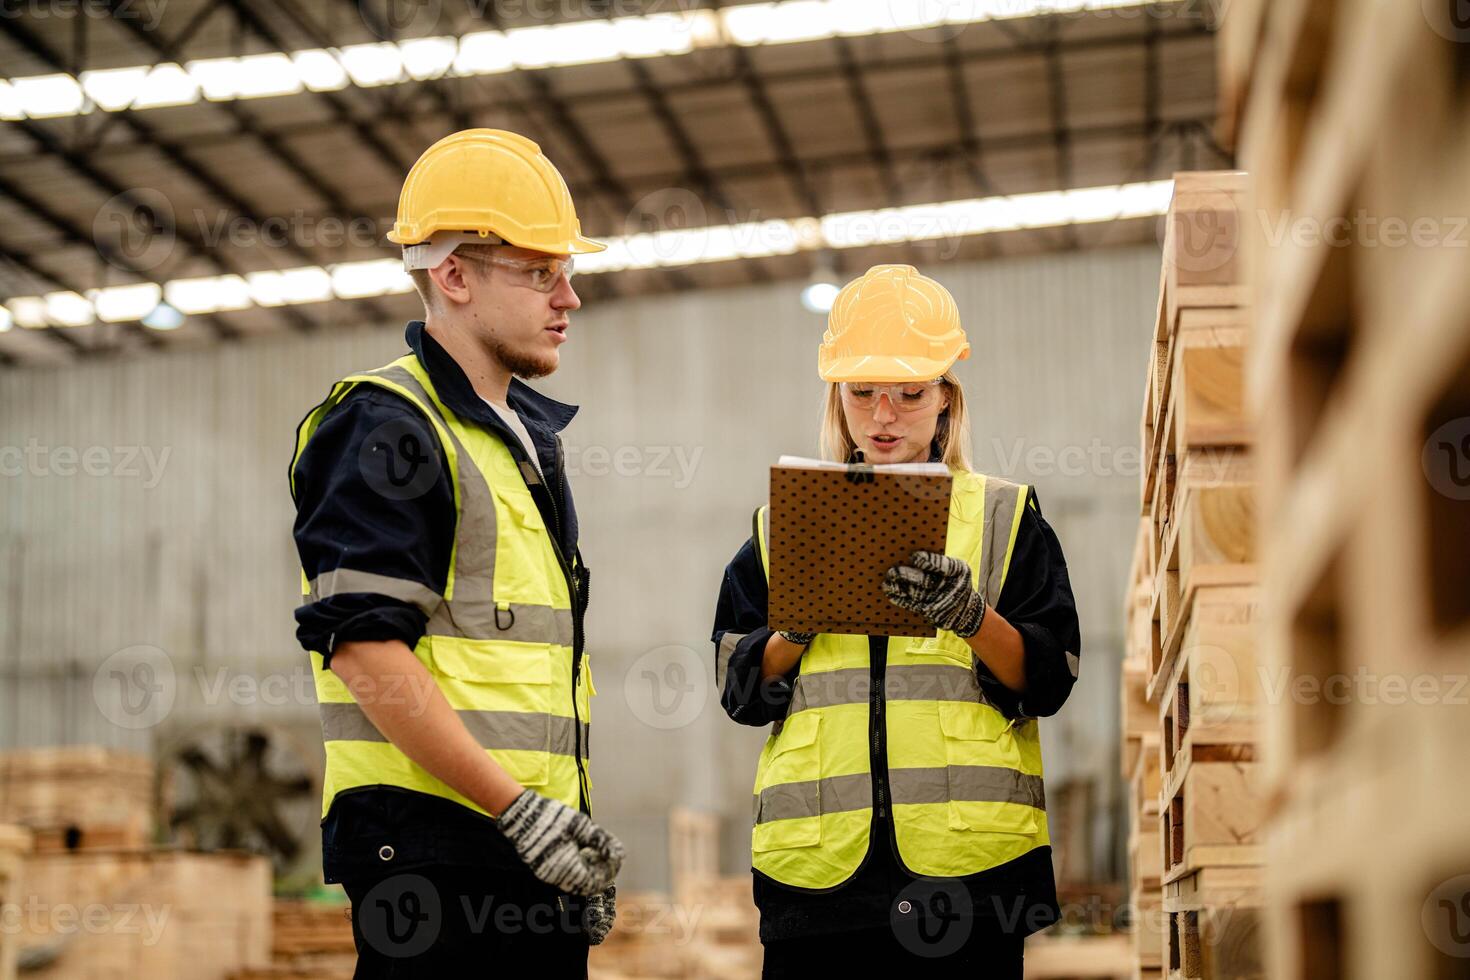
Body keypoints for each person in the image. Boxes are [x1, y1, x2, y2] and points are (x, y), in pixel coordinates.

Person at [290, 129, 621, 977]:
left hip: (518, 857)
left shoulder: (517, 440)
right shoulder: (388, 428)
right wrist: (520, 812)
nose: (569, 298)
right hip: (436, 865)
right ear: (455, 276)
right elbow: (365, 651)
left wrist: (557, 832)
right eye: (542, 271)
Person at [712, 264, 1081, 976]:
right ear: (836, 396)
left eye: (910, 394)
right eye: (862, 393)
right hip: (818, 885)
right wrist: (795, 627)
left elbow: (1050, 678)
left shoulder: (1003, 517)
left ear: (946, 396)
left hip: (968, 878)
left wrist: (971, 618)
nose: (883, 416)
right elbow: (739, 688)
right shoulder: (780, 526)